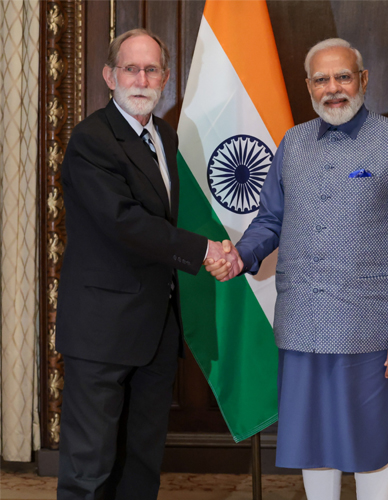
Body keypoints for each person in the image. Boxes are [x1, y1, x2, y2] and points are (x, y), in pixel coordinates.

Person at [206, 38, 388, 500]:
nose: (333, 88)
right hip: (301, 329)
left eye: (343, 76)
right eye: (321, 79)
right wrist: (241, 256)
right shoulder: (292, 142)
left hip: (372, 332)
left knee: (370, 442)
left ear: (363, 80)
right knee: (312, 442)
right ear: (308, 86)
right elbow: (271, 220)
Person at [56, 29, 240, 499]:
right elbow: (126, 223)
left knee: (140, 466)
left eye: (151, 69)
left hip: (155, 329)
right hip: (102, 331)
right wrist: (204, 251)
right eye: (131, 69)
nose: (141, 78)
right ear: (109, 76)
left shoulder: (164, 135)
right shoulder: (92, 139)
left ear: (166, 77)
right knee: (89, 469)